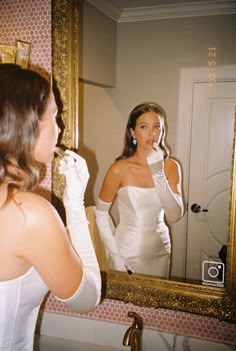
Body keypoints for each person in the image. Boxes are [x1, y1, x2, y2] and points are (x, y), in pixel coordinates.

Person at [0, 63, 101, 351]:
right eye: (55, 116)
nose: (60, 128)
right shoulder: (28, 214)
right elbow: (87, 298)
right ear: (26, 125)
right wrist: (75, 203)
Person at [95, 102, 184, 277]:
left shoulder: (171, 166)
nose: (152, 133)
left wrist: (158, 174)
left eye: (157, 127)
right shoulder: (119, 169)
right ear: (132, 132)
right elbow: (100, 214)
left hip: (161, 249)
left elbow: (174, 215)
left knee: (157, 302)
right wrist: (114, 254)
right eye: (144, 127)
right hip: (127, 250)